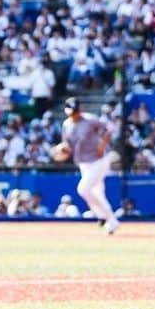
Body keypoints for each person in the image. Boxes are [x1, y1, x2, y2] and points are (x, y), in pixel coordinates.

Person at [54, 97, 119, 234]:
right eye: (72, 111)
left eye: (76, 110)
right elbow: (68, 146)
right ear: (66, 111)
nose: (74, 113)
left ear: (80, 109)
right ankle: (105, 219)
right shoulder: (66, 125)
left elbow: (109, 129)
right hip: (83, 163)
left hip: (98, 160)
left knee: (83, 189)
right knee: (97, 193)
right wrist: (62, 151)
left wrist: (102, 146)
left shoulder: (90, 119)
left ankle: (110, 219)